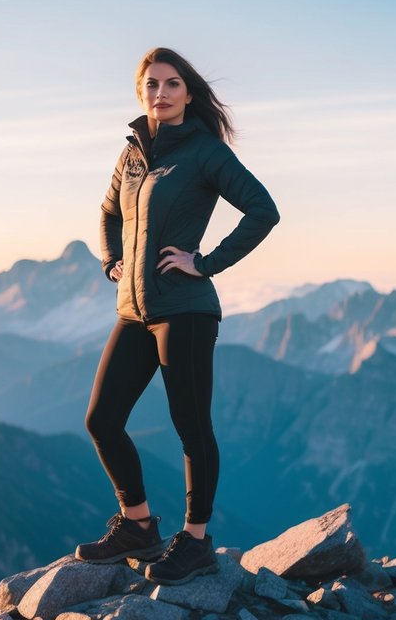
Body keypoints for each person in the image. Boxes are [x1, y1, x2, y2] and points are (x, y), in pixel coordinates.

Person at [75, 47, 280, 585]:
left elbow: (264, 210)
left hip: (184, 311)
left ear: (188, 93)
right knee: (101, 420)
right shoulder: (133, 153)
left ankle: (195, 541)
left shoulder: (206, 153)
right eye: (151, 85)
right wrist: (111, 259)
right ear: (140, 92)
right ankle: (138, 525)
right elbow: (108, 212)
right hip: (135, 310)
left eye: (171, 84)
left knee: (191, 427)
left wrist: (206, 263)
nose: (160, 94)